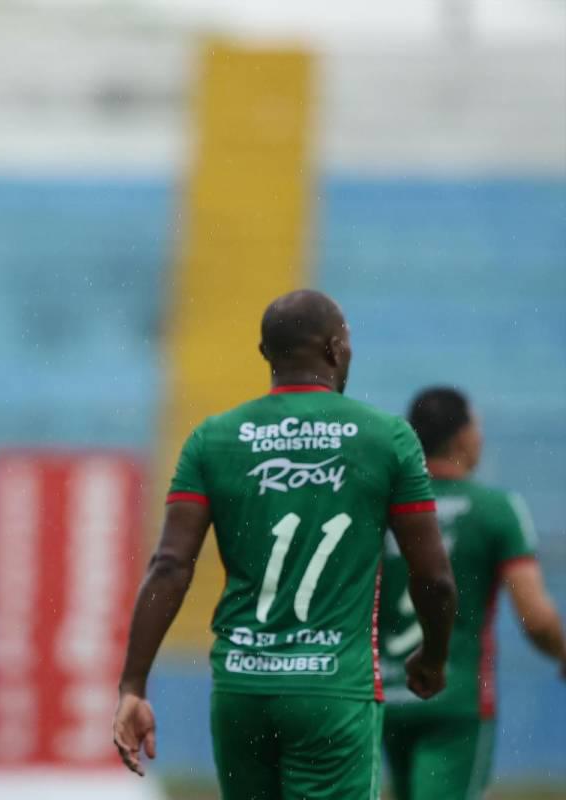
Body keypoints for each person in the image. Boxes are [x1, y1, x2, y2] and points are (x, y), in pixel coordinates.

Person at [113, 289, 458, 799]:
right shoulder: (387, 438)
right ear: (336, 349)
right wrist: (432, 656)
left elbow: (169, 566)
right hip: (333, 691)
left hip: (241, 688)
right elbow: (433, 577)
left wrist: (133, 686)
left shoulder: (213, 439)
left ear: (265, 354)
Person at [379, 387, 566, 800]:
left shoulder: (387, 510)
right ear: (463, 437)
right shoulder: (494, 509)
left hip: (389, 694)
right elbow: (534, 616)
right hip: (456, 699)